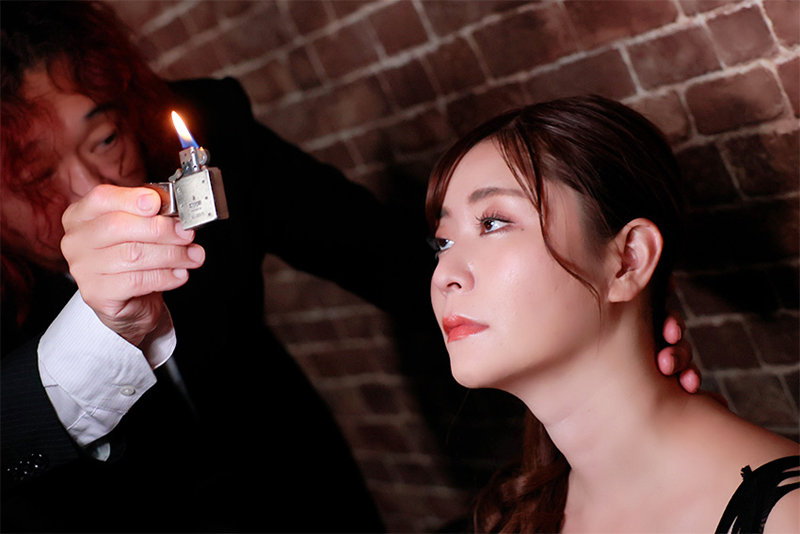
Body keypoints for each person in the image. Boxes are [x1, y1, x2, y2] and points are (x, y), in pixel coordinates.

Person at [1, 2, 700, 531]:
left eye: (106, 139)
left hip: (299, 481)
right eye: (35, 176)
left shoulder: (203, 142)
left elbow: (384, 252)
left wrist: (597, 330)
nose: (94, 194)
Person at [425, 95, 800, 533]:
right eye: (443, 243)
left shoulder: (784, 516)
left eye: (493, 223)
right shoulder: (511, 515)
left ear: (628, 260)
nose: (444, 275)